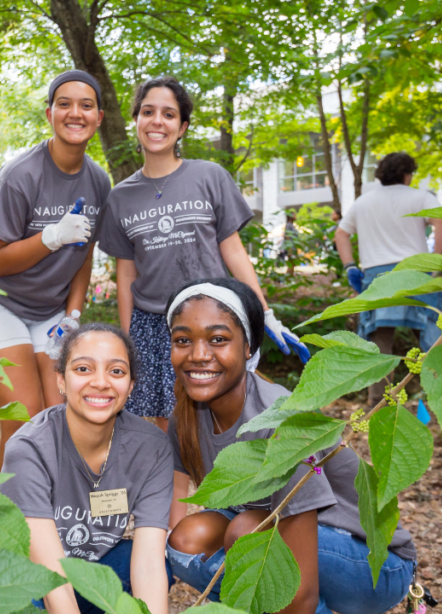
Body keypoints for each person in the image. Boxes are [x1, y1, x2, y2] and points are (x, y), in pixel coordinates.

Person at [163, 278, 417, 614]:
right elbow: (170, 526)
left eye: (218, 339)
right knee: (186, 540)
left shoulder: (281, 421)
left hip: (376, 563)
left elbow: (302, 594)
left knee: (248, 533)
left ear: (248, 347)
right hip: (284, 533)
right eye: (183, 340)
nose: (198, 355)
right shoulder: (185, 416)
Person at [98, 76, 307, 432]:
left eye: (168, 114)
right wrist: (125, 340)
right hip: (153, 326)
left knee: (224, 418)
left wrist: (265, 314)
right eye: (148, 112)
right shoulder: (120, 197)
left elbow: (235, 253)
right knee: (169, 427)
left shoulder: (210, 176)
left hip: (213, 316)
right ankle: (178, 489)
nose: (157, 121)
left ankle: (225, 486)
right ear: (136, 120)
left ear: (182, 127)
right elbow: (127, 276)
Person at [0, 70, 111, 471]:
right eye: (64, 104)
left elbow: (84, 257)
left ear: (99, 117)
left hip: (48, 310)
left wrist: (73, 316)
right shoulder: (20, 175)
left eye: (85, 106)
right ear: (50, 114)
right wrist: (51, 236)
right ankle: (2, 521)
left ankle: (56, 516)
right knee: (22, 416)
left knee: (66, 413)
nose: (75, 113)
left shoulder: (99, 182)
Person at [0, 323, 173, 614]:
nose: (101, 382)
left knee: (150, 566)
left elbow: (149, 566)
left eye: (116, 371)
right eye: (83, 369)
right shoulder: (29, 449)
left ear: (130, 385)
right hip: (31, 581)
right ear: (61, 380)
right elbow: (53, 583)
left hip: (93, 573)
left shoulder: (152, 449)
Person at [334, 152, 442, 407]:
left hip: (378, 277)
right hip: (417, 272)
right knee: (433, 336)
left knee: (379, 342)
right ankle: (440, 399)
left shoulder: (363, 202)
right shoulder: (422, 196)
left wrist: (350, 266)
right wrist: (437, 262)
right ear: (408, 174)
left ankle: (379, 403)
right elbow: (441, 222)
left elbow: (341, 234)